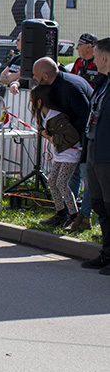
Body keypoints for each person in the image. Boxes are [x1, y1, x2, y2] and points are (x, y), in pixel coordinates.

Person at [31, 56, 93, 227]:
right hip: (67, 144)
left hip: (80, 141)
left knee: (84, 178)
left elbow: (85, 117)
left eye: (36, 75)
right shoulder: (56, 84)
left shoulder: (70, 88)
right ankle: (65, 213)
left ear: (45, 76)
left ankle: (82, 217)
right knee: (61, 181)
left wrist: (61, 139)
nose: (34, 78)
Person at [29, 84, 82, 228]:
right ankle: (60, 212)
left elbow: (73, 135)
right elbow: (43, 129)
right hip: (60, 153)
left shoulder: (57, 117)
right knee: (52, 182)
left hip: (70, 153)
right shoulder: (44, 115)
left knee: (61, 183)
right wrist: (44, 133)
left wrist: (53, 139)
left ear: (39, 102)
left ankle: (73, 215)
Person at [80, 38, 110, 273]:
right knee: (100, 204)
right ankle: (106, 253)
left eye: (96, 54)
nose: (93, 58)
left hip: (106, 154)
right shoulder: (102, 83)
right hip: (93, 149)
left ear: (105, 58)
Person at [66, 33, 101, 232]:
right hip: (78, 124)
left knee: (88, 172)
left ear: (91, 46)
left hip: (95, 126)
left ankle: (85, 214)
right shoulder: (79, 63)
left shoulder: (101, 66)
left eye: (80, 45)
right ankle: (71, 212)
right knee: (74, 169)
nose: (77, 49)